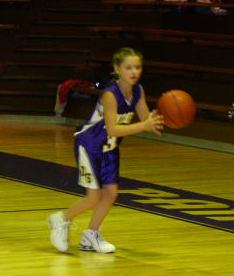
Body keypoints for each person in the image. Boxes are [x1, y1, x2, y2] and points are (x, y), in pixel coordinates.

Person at [48, 47, 164, 253]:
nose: (134, 72)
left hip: (110, 149)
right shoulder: (110, 94)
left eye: (137, 67)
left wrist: (158, 120)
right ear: (117, 69)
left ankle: (90, 235)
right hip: (89, 146)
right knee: (93, 196)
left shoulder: (138, 91)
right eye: (128, 67)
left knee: (110, 194)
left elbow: (145, 117)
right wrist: (144, 126)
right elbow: (113, 128)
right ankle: (61, 220)